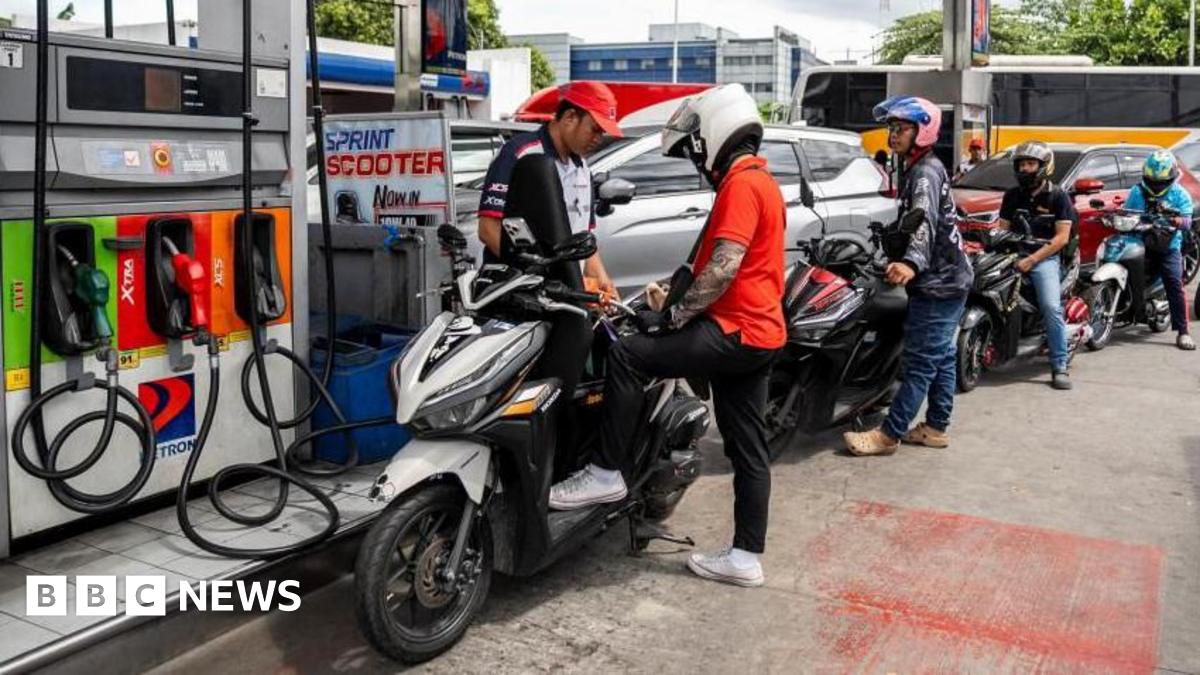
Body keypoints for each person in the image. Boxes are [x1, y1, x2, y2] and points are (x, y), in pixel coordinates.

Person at [547, 84, 786, 588]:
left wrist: (673, 321)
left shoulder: (742, 183)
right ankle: (745, 557)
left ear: (717, 134)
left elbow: (723, 268)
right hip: (762, 335)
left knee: (630, 355)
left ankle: (606, 472)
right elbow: (718, 268)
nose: (698, 160)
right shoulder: (763, 181)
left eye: (697, 148)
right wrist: (671, 302)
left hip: (733, 330)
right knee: (749, 450)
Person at [476, 81, 623, 401]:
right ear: (569, 117)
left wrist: (602, 279)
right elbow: (488, 230)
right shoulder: (519, 153)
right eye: (595, 129)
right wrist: (549, 277)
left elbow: (586, 237)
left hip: (567, 294)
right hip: (519, 294)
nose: (598, 140)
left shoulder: (583, 169)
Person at [843, 96, 974, 456]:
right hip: (950, 277)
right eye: (892, 128)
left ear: (923, 131)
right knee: (942, 356)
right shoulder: (918, 167)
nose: (893, 134)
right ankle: (935, 427)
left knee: (919, 362)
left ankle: (889, 434)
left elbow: (924, 221)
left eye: (900, 128)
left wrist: (911, 263)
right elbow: (913, 220)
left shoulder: (925, 172)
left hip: (939, 281)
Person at [996, 141, 1077, 389]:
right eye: (1021, 164)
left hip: (1044, 259)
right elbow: (1002, 229)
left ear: (1043, 167)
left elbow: (1062, 237)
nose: (1025, 169)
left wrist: (1032, 259)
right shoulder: (1012, 196)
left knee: (1051, 307)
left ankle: (1059, 364)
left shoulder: (1057, 196)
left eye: (1030, 164)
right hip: (1014, 257)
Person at [1124, 149, 1195, 351]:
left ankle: (1183, 332)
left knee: (1174, 283)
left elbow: (1188, 221)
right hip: (1137, 241)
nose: (1156, 184)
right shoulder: (1137, 192)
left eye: (1160, 181)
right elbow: (1128, 212)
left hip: (1167, 246)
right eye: (1152, 180)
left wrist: (1177, 220)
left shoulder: (1180, 194)